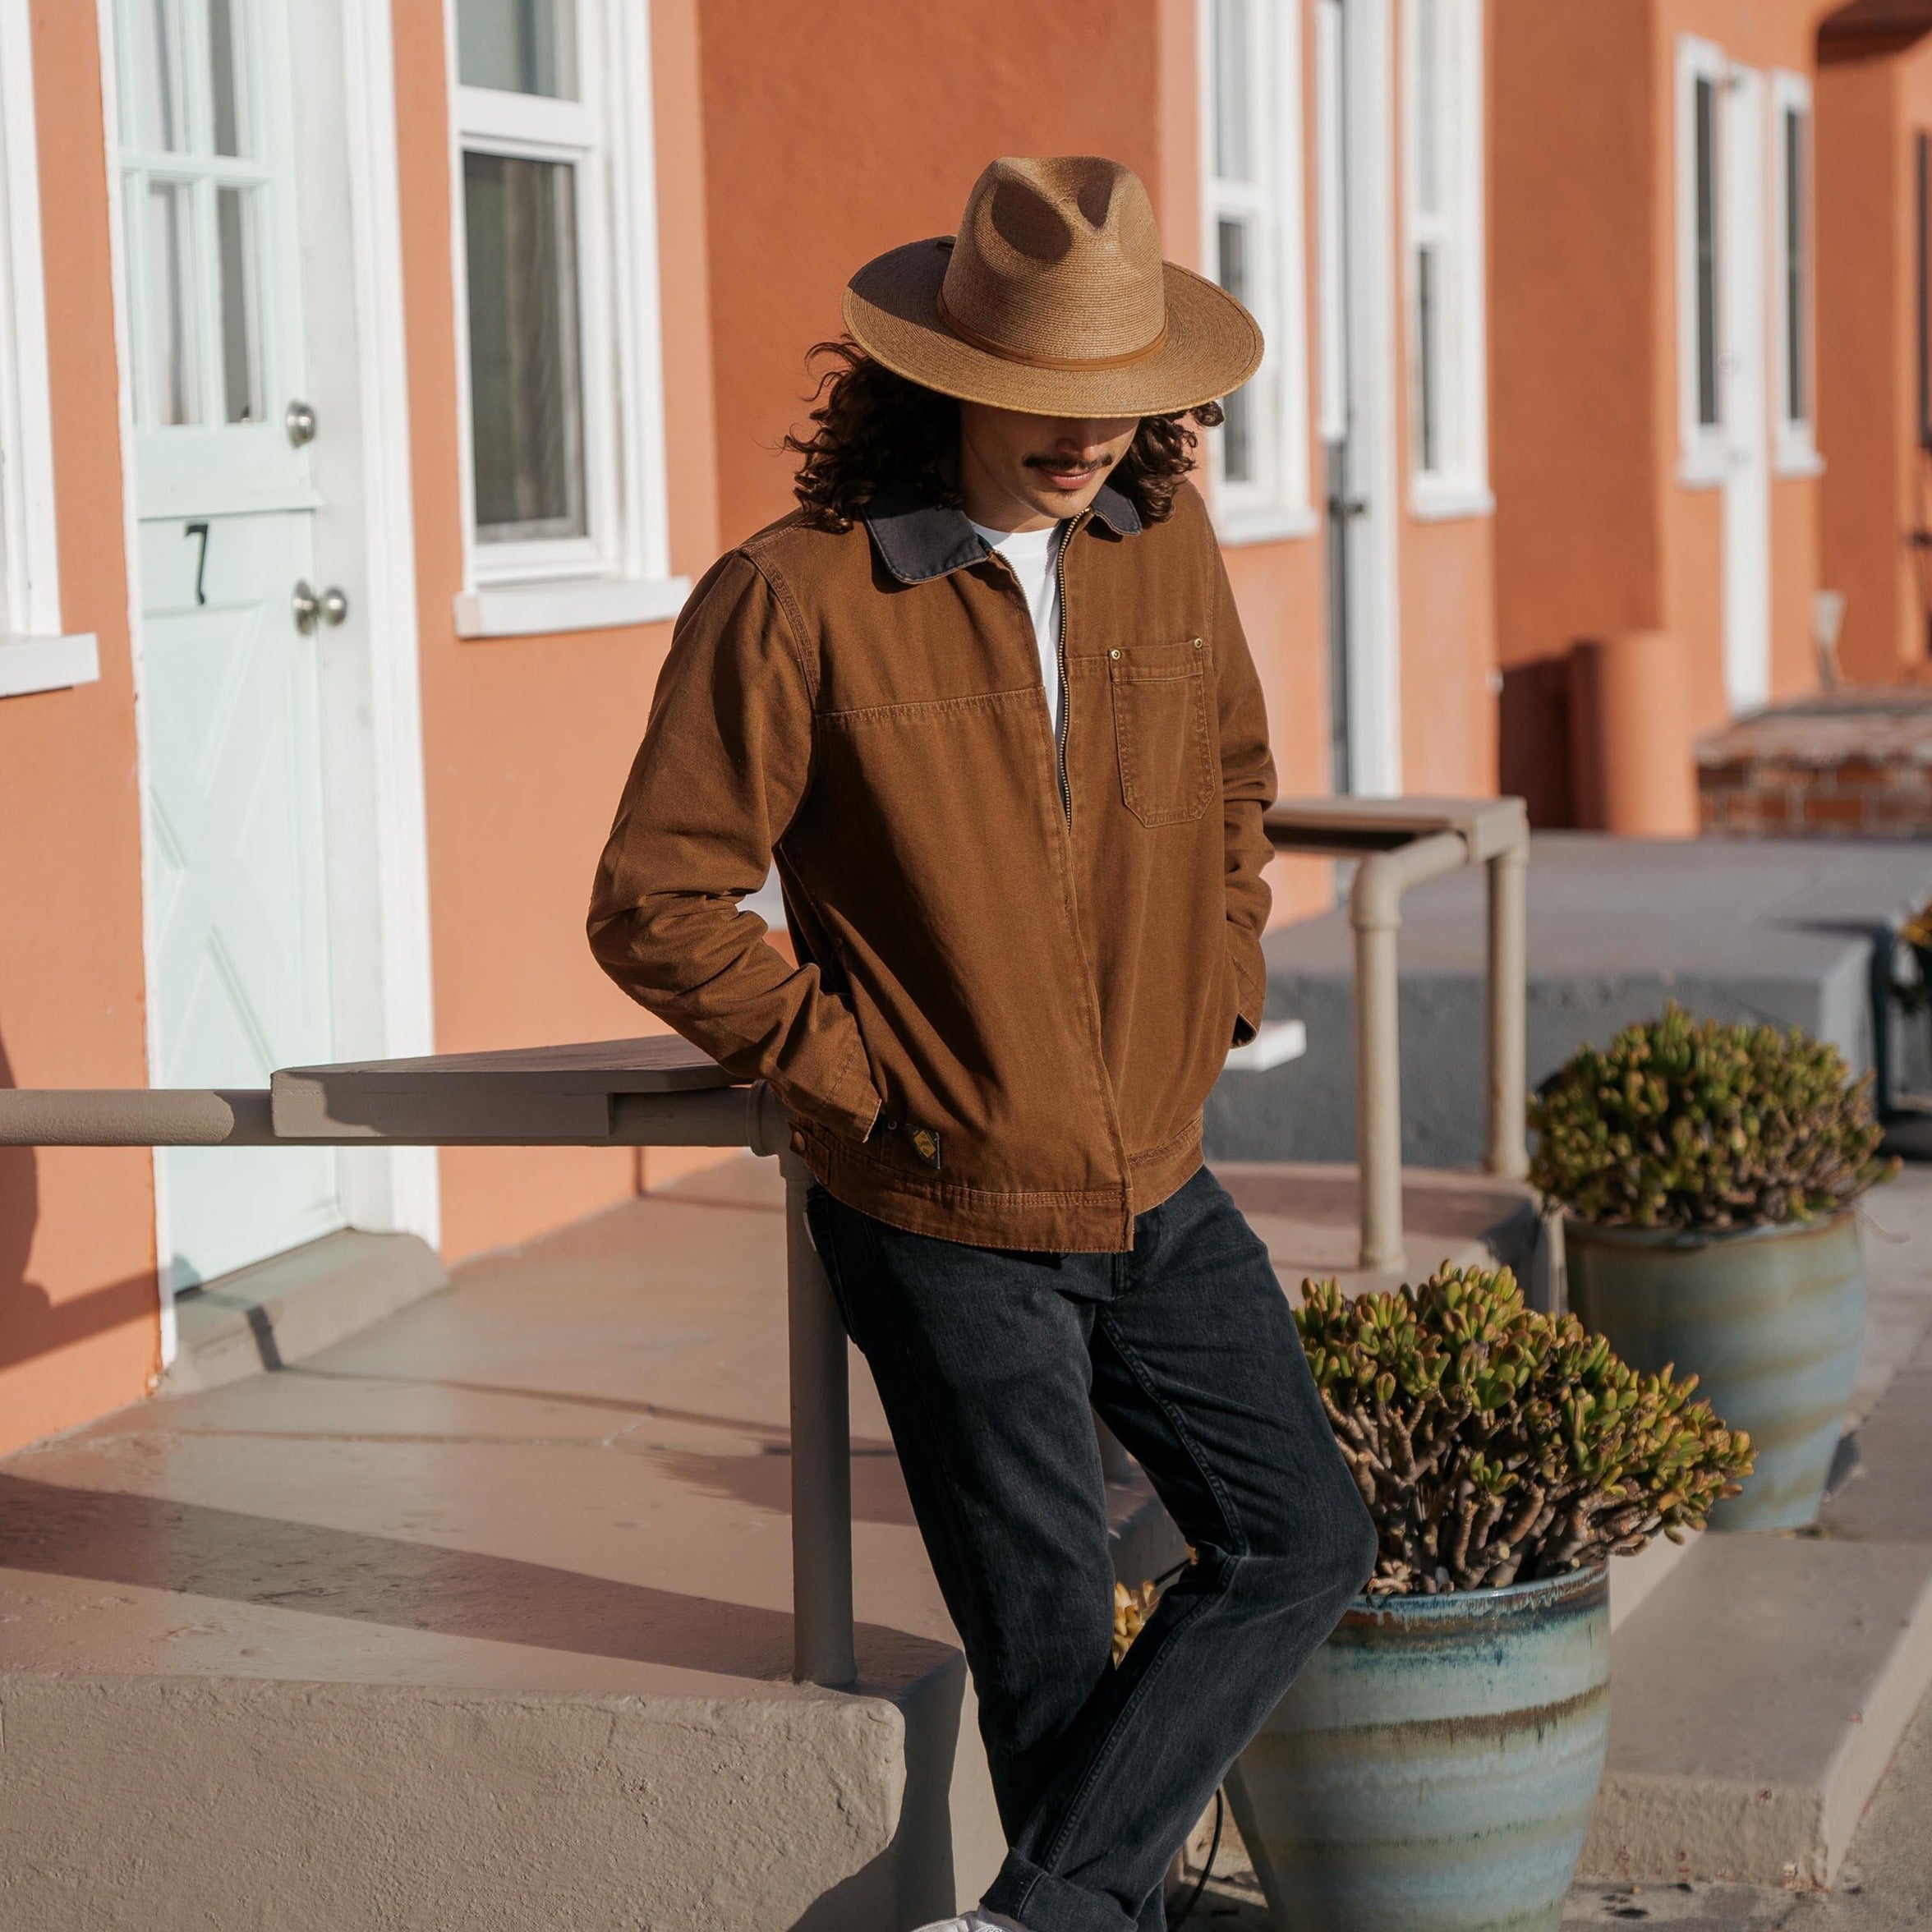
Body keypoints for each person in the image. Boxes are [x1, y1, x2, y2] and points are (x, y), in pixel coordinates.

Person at [589, 154, 1376, 1932]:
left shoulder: (1164, 555)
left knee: (1303, 1534)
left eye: (1117, 397)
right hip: (943, 1217)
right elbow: (659, 900)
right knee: (1038, 1651)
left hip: (1158, 1180)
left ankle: (1037, 1918)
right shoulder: (795, 598)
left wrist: (1217, 989)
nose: (1084, 436)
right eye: (1042, 397)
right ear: (940, 376)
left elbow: (1237, 787)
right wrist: (871, 1083)